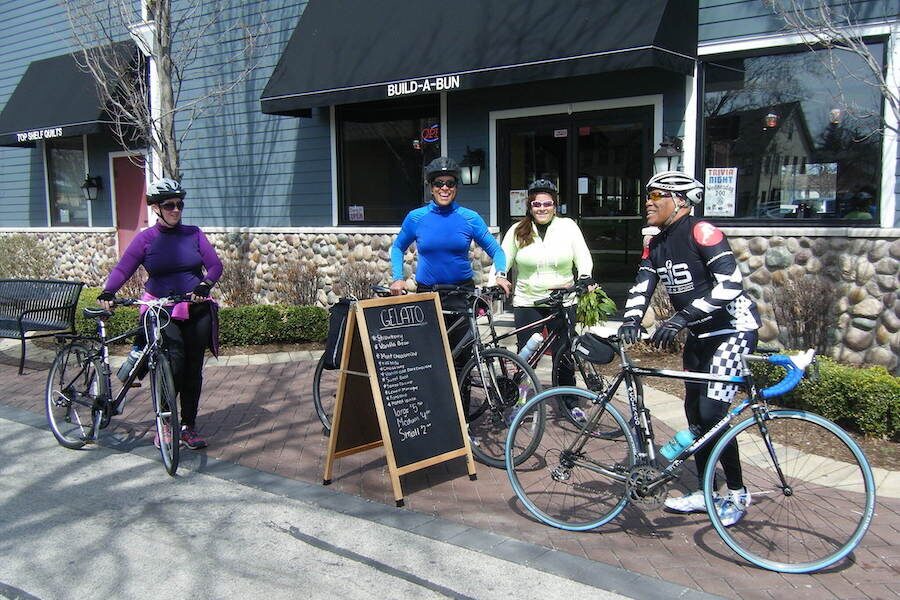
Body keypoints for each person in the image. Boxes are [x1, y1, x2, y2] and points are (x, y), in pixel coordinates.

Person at [617, 170, 760, 527]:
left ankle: (738, 494)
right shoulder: (657, 241)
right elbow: (643, 283)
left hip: (733, 331)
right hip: (699, 334)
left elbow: (730, 285)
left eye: (655, 196)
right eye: (647, 196)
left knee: (713, 415)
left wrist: (682, 318)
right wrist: (632, 319)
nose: (647, 203)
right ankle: (706, 491)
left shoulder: (701, 230)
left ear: (678, 200)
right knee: (696, 415)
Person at [98, 178, 223, 450]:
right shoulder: (146, 239)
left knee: (193, 370)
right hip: (161, 309)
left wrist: (204, 285)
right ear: (156, 208)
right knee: (174, 364)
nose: (176, 210)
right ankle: (165, 423)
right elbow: (123, 269)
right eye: (170, 205)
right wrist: (108, 291)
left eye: (180, 204)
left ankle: (189, 426)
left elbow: (214, 266)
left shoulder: (194, 234)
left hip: (196, 308)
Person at [390, 157, 511, 355]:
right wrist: (397, 278)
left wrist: (501, 274)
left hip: (461, 295)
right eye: (439, 183)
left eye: (450, 183)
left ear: (456, 187)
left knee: (463, 357)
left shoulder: (469, 218)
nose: (444, 188)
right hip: (428, 294)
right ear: (431, 187)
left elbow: (496, 250)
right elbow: (397, 248)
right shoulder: (416, 217)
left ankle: (463, 387)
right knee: (430, 357)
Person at [500, 178, 594, 421]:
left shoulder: (568, 227)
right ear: (529, 206)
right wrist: (499, 277)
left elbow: (582, 256)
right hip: (527, 301)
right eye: (536, 204)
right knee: (527, 354)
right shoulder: (518, 230)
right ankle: (521, 403)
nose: (542, 208)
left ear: (555, 205)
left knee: (564, 354)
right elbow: (503, 259)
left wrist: (585, 277)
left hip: (562, 301)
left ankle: (569, 403)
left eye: (547, 204)